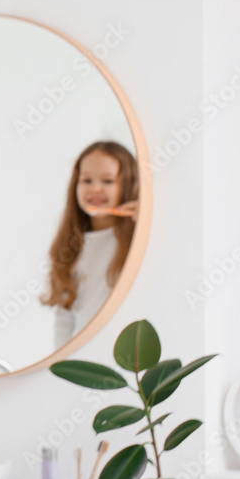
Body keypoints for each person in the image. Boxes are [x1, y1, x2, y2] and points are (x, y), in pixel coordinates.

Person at [41, 140, 139, 350]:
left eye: (108, 181)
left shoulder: (138, 240)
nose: (96, 188)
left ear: (128, 184)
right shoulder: (71, 246)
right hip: (84, 358)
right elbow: (64, 316)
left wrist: (148, 220)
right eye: (86, 180)